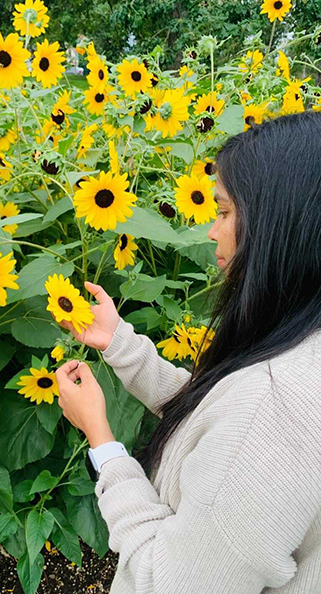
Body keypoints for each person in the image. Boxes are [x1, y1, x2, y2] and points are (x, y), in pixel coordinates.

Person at [53, 110, 321, 593]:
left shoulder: (273, 415)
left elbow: (167, 583)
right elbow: (218, 419)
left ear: (279, 225)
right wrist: (121, 346)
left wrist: (103, 442)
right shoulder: (302, 346)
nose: (212, 232)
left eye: (223, 212)